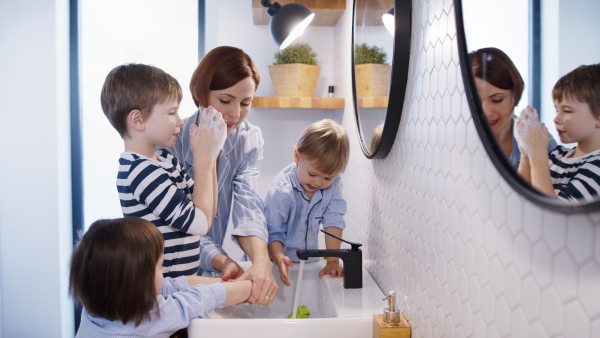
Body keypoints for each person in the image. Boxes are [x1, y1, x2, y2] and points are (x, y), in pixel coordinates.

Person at [166, 46, 277, 305]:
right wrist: (223, 260)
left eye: (246, 102)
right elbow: (180, 226)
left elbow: (248, 205)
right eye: (225, 101)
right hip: (169, 271)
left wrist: (261, 262)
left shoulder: (247, 139)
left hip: (212, 272)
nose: (236, 114)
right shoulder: (171, 142)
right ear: (201, 93)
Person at [100, 63, 227, 278]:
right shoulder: (140, 172)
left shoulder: (165, 161)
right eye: (171, 112)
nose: (180, 121)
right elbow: (199, 224)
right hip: (161, 292)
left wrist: (211, 155)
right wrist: (203, 158)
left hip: (180, 285)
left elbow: (208, 214)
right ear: (137, 120)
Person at [69, 217, 252, 337]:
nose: (163, 274)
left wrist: (232, 282)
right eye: (159, 267)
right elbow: (202, 298)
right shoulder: (148, 317)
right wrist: (251, 285)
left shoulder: (96, 308)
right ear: (138, 282)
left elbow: (178, 285)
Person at [265, 119, 350, 286]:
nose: (318, 182)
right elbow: (273, 232)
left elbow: (334, 220)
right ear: (297, 157)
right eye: (312, 174)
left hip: (306, 262)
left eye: (327, 177)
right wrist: (279, 257)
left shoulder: (333, 186)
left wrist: (332, 260)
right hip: (274, 261)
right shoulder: (282, 192)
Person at [515, 64, 600, 202]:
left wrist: (537, 154)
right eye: (557, 110)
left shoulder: (597, 168)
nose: (556, 119)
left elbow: (553, 219)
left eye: (567, 111)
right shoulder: (557, 155)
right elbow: (516, 201)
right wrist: (526, 155)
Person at [470, 47, 557, 169]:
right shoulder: (455, 142)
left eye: (497, 100)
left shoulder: (538, 138)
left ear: (515, 95)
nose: (486, 112)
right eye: (475, 102)